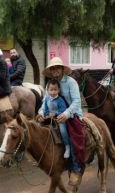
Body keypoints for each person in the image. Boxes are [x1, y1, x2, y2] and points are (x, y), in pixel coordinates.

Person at [38, 57, 83, 186]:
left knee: (71, 136)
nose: (55, 70)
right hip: (52, 115)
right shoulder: (50, 84)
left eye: (57, 67)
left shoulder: (71, 82)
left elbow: (77, 102)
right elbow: (44, 102)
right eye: (52, 68)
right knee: (38, 131)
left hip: (71, 114)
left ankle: (75, 168)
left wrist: (66, 114)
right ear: (50, 71)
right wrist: (41, 113)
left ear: (62, 69)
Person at [43, 79, 70, 158]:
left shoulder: (60, 100)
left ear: (58, 90)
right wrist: (46, 114)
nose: (53, 92)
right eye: (51, 90)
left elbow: (63, 110)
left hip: (59, 118)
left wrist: (55, 114)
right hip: (49, 118)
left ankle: (67, 146)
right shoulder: (47, 99)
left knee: (63, 130)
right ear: (47, 90)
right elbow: (45, 109)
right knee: (40, 126)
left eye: (55, 90)